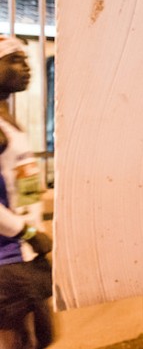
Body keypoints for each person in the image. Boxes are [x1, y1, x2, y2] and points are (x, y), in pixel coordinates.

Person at [0, 36, 54, 349]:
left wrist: (37, 234)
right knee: (18, 341)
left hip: (27, 254)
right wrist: (29, 231)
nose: (27, 67)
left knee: (42, 337)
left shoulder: (9, 121)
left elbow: (25, 188)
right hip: (8, 260)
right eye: (15, 60)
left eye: (26, 59)